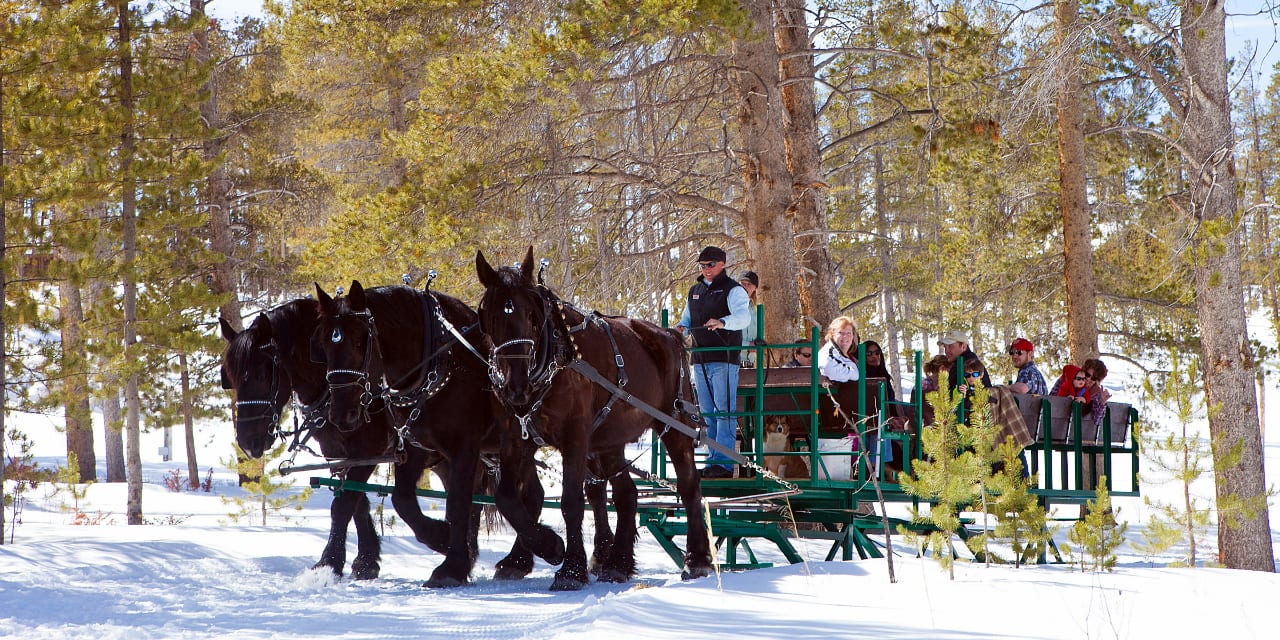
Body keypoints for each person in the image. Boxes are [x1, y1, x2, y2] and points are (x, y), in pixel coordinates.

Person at [677, 246, 751, 479]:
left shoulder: (733, 290)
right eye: (702, 265)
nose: (706, 269)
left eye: (710, 265)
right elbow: (687, 318)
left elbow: (743, 317)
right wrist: (681, 327)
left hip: (724, 357)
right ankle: (713, 460)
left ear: (722, 264)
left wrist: (722, 322)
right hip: (699, 358)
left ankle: (724, 463)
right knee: (708, 413)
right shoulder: (695, 291)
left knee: (724, 411)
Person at [739, 271, 760, 368]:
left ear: (755, 288)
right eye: (742, 284)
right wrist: (747, 344)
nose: (744, 287)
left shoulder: (756, 309)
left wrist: (757, 344)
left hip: (751, 360)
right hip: (733, 359)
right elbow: (727, 336)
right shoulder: (730, 306)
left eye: (748, 284)